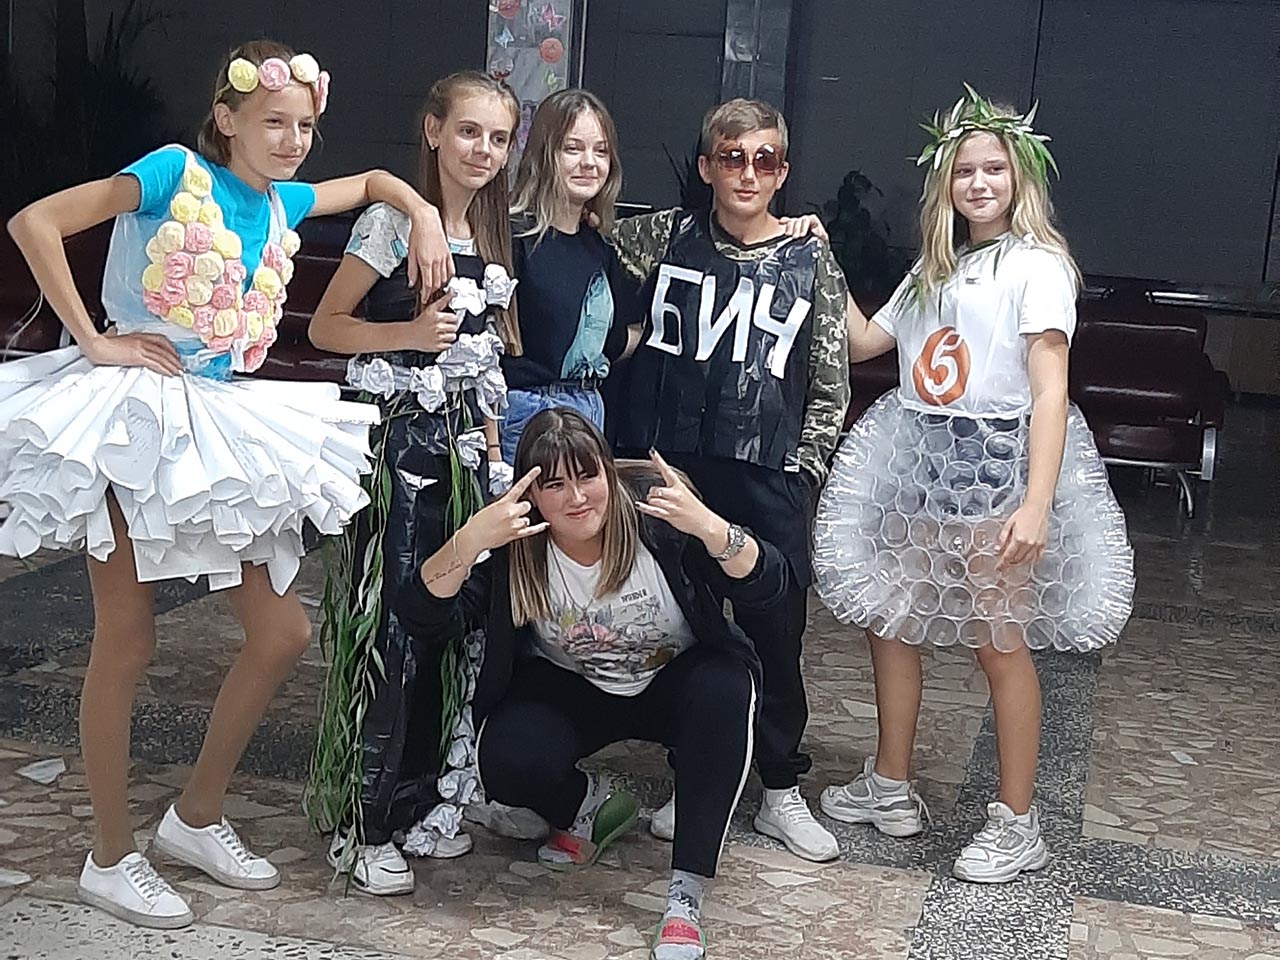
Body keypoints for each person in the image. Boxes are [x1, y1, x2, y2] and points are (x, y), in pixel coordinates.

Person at [0, 39, 453, 928]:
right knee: (127, 639)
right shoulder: (173, 172)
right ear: (227, 118)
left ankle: (195, 815)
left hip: (214, 420)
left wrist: (420, 209)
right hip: (137, 418)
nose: (292, 141)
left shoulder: (283, 201)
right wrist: (93, 338)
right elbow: (35, 223)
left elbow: (370, 183)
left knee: (281, 632)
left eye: (305, 126)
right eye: (274, 121)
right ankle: (108, 855)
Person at [813, 86, 1134, 882]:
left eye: (994, 168)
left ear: (1021, 176)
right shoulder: (937, 264)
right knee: (891, 620)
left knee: (999, 642)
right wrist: (819, 260)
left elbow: (1050, 392)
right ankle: (891, 783)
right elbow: (867, 342)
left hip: (992, 465)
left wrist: (1034, 503)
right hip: (919, 462)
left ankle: (1017, 822)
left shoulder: (1038, 266)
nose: (979, 182)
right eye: (965, 170)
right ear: (944, 183)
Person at [397, 407, 786, 960]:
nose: (577, 498)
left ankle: (685, 896)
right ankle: (591, 806)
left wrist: (709, 527)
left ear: (608, 471)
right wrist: (468, 541)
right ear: (532, 494)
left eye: (588, 476)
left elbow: (770, 589)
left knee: (726, 688)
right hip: (574, 688)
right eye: (555, 485)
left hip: (678, 681)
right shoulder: (518, 543)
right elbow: (421, 617)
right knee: (506, 756)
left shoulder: (655, 517)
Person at [608, 98, 850, 862]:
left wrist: (804, 474)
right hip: (674, 472)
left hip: (769, 477)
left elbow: (831, 378)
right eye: (733, 158)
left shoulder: (812, 258)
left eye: (765, 160)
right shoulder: (661, 236)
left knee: (776, 634)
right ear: (707, 166)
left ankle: (779, 786)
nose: (749, 173)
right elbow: (576, 239)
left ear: (783, 172)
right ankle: (699, 774)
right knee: (687, 628)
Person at [306, 70, 526, 894]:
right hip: (399, 446)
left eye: (498, 138)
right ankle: (362, 825)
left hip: (464, 454)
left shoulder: (488, 232)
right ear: (432, 131)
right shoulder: (391, 221)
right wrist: (407, 331)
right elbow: (326, 327)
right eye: (469, 131)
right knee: (395, 625)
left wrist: (494, 455)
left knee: (450, 625)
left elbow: (486, 363)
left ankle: (417, 802)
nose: (483, 150)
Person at [500, 88, 639, 462]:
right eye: (573, 148)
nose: (589, 162)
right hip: (524, 416)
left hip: (589, 411)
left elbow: (608, 340)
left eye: (601, 151)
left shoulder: (601, 246)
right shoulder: (512, 237)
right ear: (544, 154)